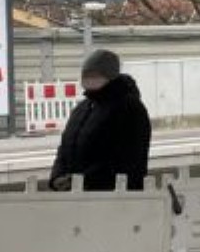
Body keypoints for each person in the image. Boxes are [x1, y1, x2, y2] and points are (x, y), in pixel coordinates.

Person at [48, 49, 151, 191]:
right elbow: (65, 148)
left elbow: (126, 157)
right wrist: (57, 176)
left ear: (110, 76)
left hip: (115, 196)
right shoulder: (82, 108)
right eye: (86, 75)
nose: (89, 79)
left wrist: (83, 181)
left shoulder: (130, 109)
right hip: (79, 193)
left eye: (95, 75)